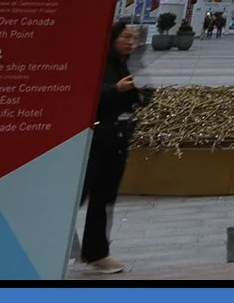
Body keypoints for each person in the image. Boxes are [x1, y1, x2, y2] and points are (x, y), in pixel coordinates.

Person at [77, 19, 153, 275]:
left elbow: (145, 95)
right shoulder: (99, 62)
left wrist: (144, 90)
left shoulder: (130, 63)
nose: (131, 43)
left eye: (135, 38)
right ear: (112, 38)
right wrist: (114, 89)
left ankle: (96, 252)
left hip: (118, 140)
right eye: (126, 37)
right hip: (94, 140)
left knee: (104, 198)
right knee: (76, 197)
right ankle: (47, 244)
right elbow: (84, 93)